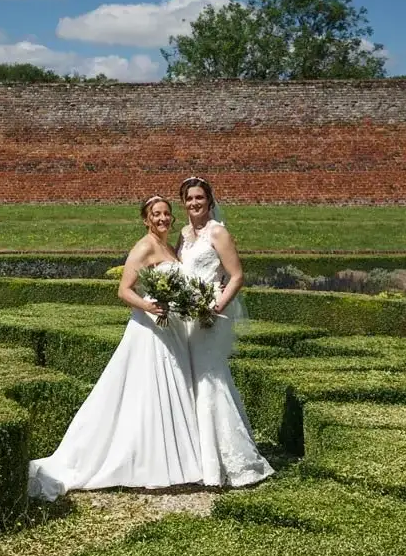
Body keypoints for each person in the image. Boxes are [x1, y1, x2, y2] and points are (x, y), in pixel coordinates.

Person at [27, 195, 203, 500]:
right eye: (156, 214)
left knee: (171, 388)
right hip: (150, 330)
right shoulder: (144, 246)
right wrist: (150, 307)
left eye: (166, 214)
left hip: (172, 329)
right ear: (146, 219)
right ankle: (146, 461)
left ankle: (178, 458)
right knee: (148, 391)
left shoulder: (169, 248)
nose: (162, 218)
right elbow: (123, 290)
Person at [177, 176, 275, 488]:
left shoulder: (217, 232)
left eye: (199, 197)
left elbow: (236, 275)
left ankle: (227, 463)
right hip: (186, 317)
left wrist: (215, 306)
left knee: (210, 380)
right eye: (189, 198)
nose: (194, 203)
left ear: (209, 200)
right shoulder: (183, 235)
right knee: (192, 380)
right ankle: (197, 459)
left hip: (210, 317)